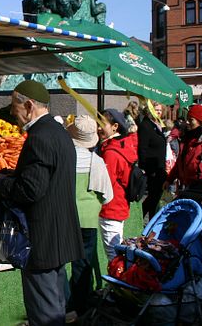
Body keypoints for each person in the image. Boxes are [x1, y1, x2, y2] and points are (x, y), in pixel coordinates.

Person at [0, 80, 83, 326]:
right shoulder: (60, 133)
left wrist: (2, 185)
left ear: (29, 105)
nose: (12, 111)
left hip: (42, 235)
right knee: (54, 305)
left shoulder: (40, 137)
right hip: (58, 233)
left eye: (15, 105)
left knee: (44, 311)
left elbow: (31, 189)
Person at [65, 116, 113, 318]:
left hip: (65, 217)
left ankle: (65, 304)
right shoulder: (97, 161)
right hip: (88, 221)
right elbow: (107, 196)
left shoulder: (64, 158)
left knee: (60, 263)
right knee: (82, 264)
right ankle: (80, 305)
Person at [165, 105, 202, 252]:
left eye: (191, 119)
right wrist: (170, 178)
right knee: (187, 222)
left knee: (201, 225)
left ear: (200, 121)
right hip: (188, 188)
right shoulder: (188, 139)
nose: (187, 122)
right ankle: (188, 252)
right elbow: (181, 162)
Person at [96, 109, 137, 261]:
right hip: (120, 203)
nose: (98, 128)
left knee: (113, 253)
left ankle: (119, 283)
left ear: (115, 127)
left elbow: (106, 183)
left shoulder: (111, 152)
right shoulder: (123, 145)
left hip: (111, 206)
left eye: (102, 125)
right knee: (116, 248)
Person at [138, 101, 168, 219]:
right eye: (156, 110)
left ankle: (146, 220)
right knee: (153, 197)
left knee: (155, 197)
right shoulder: (146, 125)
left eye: (160, 110)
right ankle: (145, 220)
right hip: (151, 168)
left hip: (159, 166)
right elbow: (142, 148)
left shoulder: (157, 124)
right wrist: (144, 167)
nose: (159, 112)